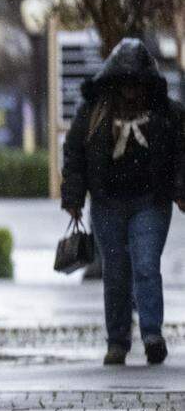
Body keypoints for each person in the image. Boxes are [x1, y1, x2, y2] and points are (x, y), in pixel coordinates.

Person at [61, 38, 185, 366]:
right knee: (115, 272)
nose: (130, 89)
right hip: (107, 203)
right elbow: (74, 152)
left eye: (137, 82)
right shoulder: (95, 111)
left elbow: (180, 153)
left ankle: (151, 335)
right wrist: (73, 197)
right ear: (113, 81)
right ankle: (117, 341)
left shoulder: (167, 113)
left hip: (150, 201)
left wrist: (180, 189)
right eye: (124, 82)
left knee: (145, 265)